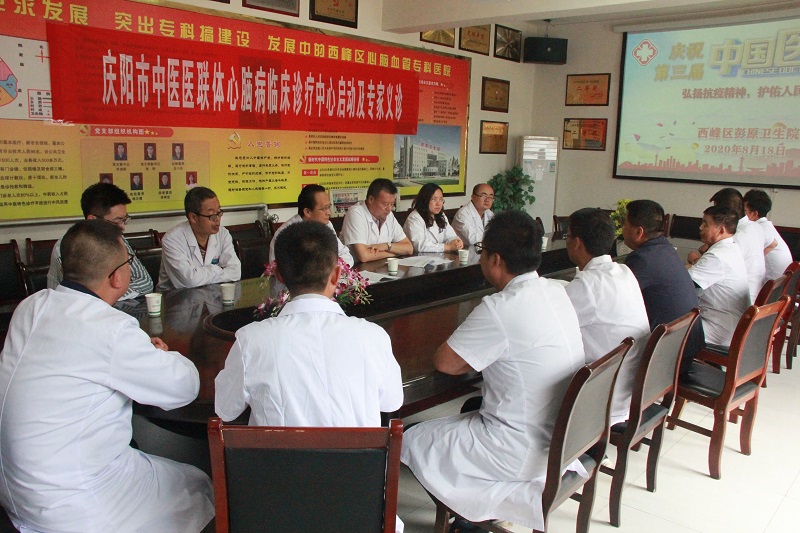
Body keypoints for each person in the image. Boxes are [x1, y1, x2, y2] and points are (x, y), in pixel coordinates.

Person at [0, 219, 214, 533]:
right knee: (198, 485)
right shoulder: (110, 328)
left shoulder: (31, 307)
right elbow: (184, 387)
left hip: (15, 489)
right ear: (117, 276)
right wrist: (161, 355)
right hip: (75, 500)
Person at [401, 211, 585, 531]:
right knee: (466, 412)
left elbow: (445, 362)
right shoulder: (557, 290)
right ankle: (470, 508)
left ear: (495, 259)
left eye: (482, 250)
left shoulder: (500, 308)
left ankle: (467, 517)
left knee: (411, 438)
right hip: (562, 439)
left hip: (520, 449)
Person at [564, 208, 650, 425]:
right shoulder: (624, 272)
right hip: (632, 388)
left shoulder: (587, 285)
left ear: (577, 243)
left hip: (605, 398)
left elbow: (549, 323)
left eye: (568, 236)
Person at [622, 199, 704, 376]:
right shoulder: (665, 249)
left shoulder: (643, 259)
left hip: (668, 359)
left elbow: (617, 299)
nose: (622, 229)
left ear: (638, 231)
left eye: (625, 224)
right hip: (685, 347)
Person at [47, 182, 153, 300]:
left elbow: (145, 283)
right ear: (92, 219)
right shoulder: (68, 246)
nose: (122, 227)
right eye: (117, 221)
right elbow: (80, 295)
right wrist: (112, 292)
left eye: (125, 219)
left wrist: (107, 293)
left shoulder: (117, 238)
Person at [689, 188, 765, 303]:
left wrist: (695, 260)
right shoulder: (754, 227)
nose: (700, 227)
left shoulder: (736, 235)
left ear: (726, 214)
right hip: (746, 295)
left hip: (737, 301)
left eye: (717, 210)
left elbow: (684, 283)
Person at [688, 206, 750, 347]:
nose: (700, 227)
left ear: (721, 230)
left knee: (662, 327)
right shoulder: (731, 247)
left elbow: (683, 285)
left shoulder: (717, 255)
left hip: (719, 329)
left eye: (705, 224)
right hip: (731, 324)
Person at [159, 186, 241, 290]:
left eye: (219, 212)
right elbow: (189, 281)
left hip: (213, 294)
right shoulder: (172, 240)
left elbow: (235, 272)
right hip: (177, 297)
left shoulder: (222, 234)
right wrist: (218, 269)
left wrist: (199, 274)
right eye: (211, 215)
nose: (217, 219)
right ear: (193, 217)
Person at [268, 184, 354, 266]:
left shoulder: (326, 225)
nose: (329, 212)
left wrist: (332, 268)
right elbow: (278, 269)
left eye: (329, 207)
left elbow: (345, 254)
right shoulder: (285, 234)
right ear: (307, 212)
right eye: (324, 208)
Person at [340, 178, 413, 262]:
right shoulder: (356, 213)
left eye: (392, 204)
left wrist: (386, 246)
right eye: (385, 204)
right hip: (357, 268)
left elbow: (409, 248)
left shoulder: (388, 215)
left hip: (381, 266)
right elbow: (364, 256)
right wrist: (395, 253)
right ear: (371, 199)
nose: (389, 209)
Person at [743, 189, 793, 280]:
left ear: (754, 214)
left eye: (744, 210)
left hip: (772, 284)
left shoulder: (758, 229)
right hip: (782, 284)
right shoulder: (766, 226)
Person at [403, 183, 463, 253]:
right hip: (419, 258)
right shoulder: (414, 218)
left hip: (438, 257)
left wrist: (456, 242)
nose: (438, 204)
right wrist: (448, 247)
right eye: (434, 199)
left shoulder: (441, 215)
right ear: (425, 200)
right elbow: (419, 245)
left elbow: (450, 236)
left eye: (441, 200)